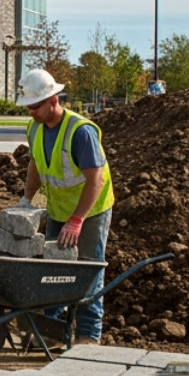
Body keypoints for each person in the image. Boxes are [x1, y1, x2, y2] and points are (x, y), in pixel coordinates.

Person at [17, 68, 115, 346]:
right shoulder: (34, 127)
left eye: (35, 106)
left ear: (53, 100)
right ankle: (54, 332)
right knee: (53, 270)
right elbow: (35, 165)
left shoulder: (80, 132)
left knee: (88, 269)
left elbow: (95, 180)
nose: (31, 112)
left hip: (91, 210)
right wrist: (27, 200)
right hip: (59, 207)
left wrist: (77, 220)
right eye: (28, 107)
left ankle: (88, 336)